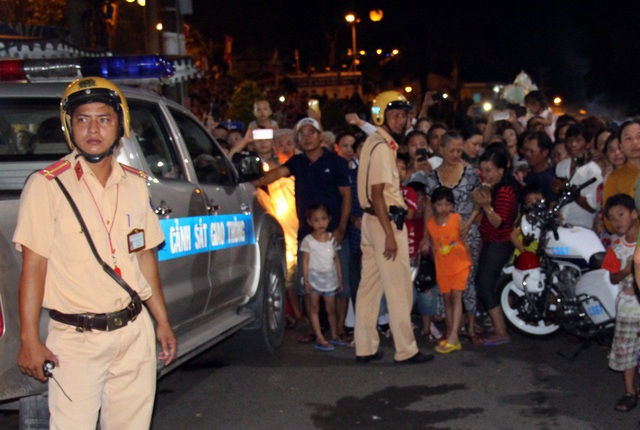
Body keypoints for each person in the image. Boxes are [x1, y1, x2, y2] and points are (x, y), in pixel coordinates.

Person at [14, 77, 176, 429]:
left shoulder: (134, 184)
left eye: (104, 119)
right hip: (76, 341)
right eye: (82, 119)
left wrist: (161, 320)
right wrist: (29, 339)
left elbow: (144, 257)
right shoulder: (47, 186)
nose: (93, 129)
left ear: (121, 125)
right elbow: (33, 267)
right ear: (69, 127)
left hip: (134, 334)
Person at [255, 117, 352, 344]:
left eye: (311, 132)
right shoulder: (298, 162)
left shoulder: (335, 162)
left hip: (334, 233)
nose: (306, 137)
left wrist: (341, 227)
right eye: (302, 134)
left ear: (320, 135)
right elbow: (277, 173)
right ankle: (313, 328)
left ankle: (337, 330)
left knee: (341, 282)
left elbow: (346, 195)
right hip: (307, 236)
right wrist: (255, 183)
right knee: (307, 283)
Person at [354, 90, 433, 364]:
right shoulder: (381, 146)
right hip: (384, 222)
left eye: (404, 115)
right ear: (381, 115)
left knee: (370, 287)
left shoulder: (375, 143)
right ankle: (406, 349)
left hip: (372, 221)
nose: (401, 120)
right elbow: (378, 194)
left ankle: (364, 347)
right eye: (395, 115)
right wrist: (389, 234)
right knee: (399, 288)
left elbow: (379, 191)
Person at [423, 131, 483, 345]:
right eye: (452, 150)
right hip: (441, 236)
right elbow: (428, 209)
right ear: (441, 149)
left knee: (467, 282)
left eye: (460, 150)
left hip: (466, 233)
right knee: (446, 284)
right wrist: (426, 237)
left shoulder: (470, 173)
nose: (456, 154)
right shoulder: (431, 177)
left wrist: (470, 221)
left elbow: (480, 202)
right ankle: (451, 331)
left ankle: (471, 327)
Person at [471, 146, 518, 346]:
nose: (486, 175)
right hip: (492, 242)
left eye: (490, 170)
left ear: (501, 170)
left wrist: (486, 206)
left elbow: (499, 222)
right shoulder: (495, 188)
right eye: (483, 170)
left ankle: (501, 331)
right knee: (488, 284)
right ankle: (497, 323)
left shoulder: (505, 192)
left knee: (484, 285)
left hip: (499, 244)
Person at [601, 194, 640, 412]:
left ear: (634, 214)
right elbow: (612, 277)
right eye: (612, 218)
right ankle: (629, 390)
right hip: (627, 307)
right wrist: (625, 271)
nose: (617, 222)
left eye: (621, 214)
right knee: (627, 351)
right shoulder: (616, 247)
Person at [425, 186, 472, 354]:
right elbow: (433, 246)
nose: (443, 208)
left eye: (447, 204)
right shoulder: (430, 224)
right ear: (433, 206)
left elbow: (465, 242)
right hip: (443, 267)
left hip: (459, 264)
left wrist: (470, 261)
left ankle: (453, 336)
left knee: (456, 298)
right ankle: (453, 335)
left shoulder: (456, 219)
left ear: (452, 205)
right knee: (447, 300)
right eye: (439, 205)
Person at [300, 204, 344, 351]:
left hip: (330, 279)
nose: (320, 223)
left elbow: (336, 260)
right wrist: (306, 280)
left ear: (329, 219)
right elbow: (305, 261)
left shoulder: (332, 239)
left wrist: (340, 279)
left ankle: (334, 335)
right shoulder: (308, 240)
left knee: (331, 309)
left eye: (323, 219)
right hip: (314, 279)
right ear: (310, 222)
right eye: (316, 220)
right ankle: (319, 336)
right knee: (314, 308)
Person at [554, 124, 602, 229]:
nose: (572, 144)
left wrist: (569, 190)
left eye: (578, 140)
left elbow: (592, 207)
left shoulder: (594, 171)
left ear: (588, 144)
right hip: (561, 223)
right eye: (569, 140)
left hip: (582, 227)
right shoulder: (561, 166)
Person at [510, 184, 545, 259]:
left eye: (537, 200)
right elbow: (513, 235)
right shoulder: (524, 218)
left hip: (539, 257)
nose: (534, 204)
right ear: (525, 206)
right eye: (529, 202)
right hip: (523, 257)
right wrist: (524, 252)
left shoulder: (545, 217)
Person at [521, 132, 557, 203]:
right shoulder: (525, 174)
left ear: (545, 152)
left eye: (532, 151)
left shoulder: (550, 179)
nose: (527, 154)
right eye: (525, 150)